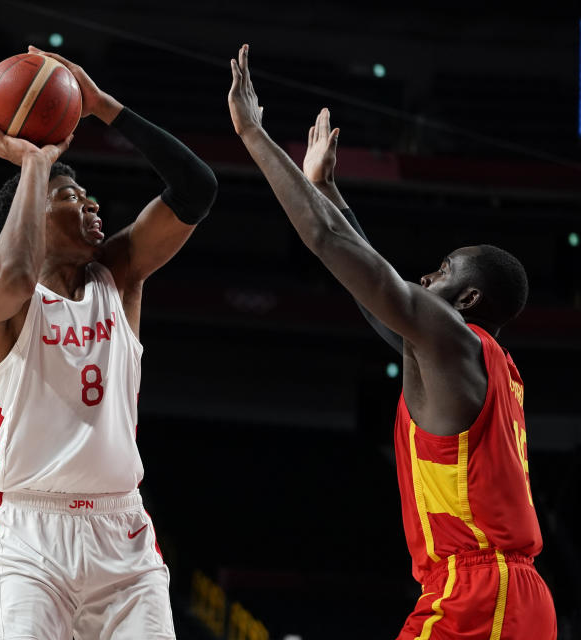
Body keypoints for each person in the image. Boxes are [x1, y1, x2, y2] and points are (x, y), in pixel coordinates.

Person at [228, 44, 557, 638]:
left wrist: (253, 135)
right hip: (498, 592)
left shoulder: (454, 338)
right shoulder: (472, 358)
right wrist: (326, 189)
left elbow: (333, 248)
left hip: (479, 594)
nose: (427, 276)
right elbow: (372, 294)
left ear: (469, 300)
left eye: (443, 269)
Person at [0, 46, 217, 640]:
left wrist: (105, 108)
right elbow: (17, 276)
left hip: (122, 537)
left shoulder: (118, 275)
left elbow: (196, 189)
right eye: (72, 198)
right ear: (31, 218)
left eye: (90, 197)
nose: (93, 204)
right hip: (32, 536)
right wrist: (32, 164)